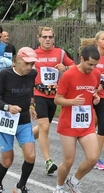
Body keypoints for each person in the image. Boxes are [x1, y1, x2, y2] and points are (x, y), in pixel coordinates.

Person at [0, 47, 38, 193]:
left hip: (24, 121)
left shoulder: (32, 74)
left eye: (32, 64)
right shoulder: (5, 75)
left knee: (30, 156)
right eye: (27, 63)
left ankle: (21, 186)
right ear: (18, 60)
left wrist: (31, 106)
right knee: (8, 159)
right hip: (7, 120)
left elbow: (30, 90)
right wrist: (7, 107)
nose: (29, 67)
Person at [52, 45, 101, 193]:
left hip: (86, 123)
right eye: (90, 64)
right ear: (82, 59)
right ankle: (59, 188)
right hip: (68, 123)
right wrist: (72, 101)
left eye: (95, 65)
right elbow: (57, 99)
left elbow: (92, 92)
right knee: (68, 161)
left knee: (93, 158)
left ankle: (73, 182)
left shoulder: (96, 74)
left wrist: (95, 98)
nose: (92, 68)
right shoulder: (69, 75)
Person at [32, 26, 75, 175]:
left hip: (54, 96)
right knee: (44, 127)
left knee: (44, 127)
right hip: (39, 94)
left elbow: (74, 67)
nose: (48, 39)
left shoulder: (60, 53)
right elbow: (25, 72)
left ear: (54, 38)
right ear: (39, 38)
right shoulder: (33, 54)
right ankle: (48, 161)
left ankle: (26, 139)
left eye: (50, 37)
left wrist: (66, 68)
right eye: (44, 37)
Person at [79, 31, 104, 171]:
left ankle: (95, 158)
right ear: (97, 42)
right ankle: (87, 151)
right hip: (89, 94)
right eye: (103, 39)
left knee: (102, 126)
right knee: (87, 125)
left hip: (102, 94)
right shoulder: (92, 56)